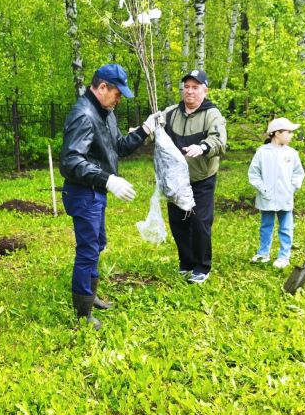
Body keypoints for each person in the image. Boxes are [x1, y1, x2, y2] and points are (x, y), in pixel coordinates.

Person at [60, 64, 156, 330]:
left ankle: (91, 297)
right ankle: (83, 313)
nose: (119, 100)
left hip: (96, 192)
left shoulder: (105, 112)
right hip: (83, 193)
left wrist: (144, 131)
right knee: (88, 250)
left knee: (98, 243)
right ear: (102, 87)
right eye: (117, 94)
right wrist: (108, 179)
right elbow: (70, 162)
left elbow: (118, 147)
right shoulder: (83, 115)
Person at [156, 70, 227, 283]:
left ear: (204, 90)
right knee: (178, 222)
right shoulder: (171, 112)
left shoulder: (212, 114)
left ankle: (202, 266)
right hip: (175, 180)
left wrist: (203, 147)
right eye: (186, 86)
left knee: (200, 222)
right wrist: (142, 131)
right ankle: (186, 262)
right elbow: (155, 127)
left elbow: (219, 141)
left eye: (195, 87)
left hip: (201, 178)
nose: (190, 91)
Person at [248, 117, 305, 268]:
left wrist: (292, 187)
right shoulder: (262, 152)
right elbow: (254, 173)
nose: (292, 135)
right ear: (277, 133)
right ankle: (263, 253)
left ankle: (283, 256)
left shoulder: (292, 153)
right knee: (266, 226)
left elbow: (298, 173)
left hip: (285, 197)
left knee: (286, 227)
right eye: (289, 132)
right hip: (266, 197)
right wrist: (262, 188)